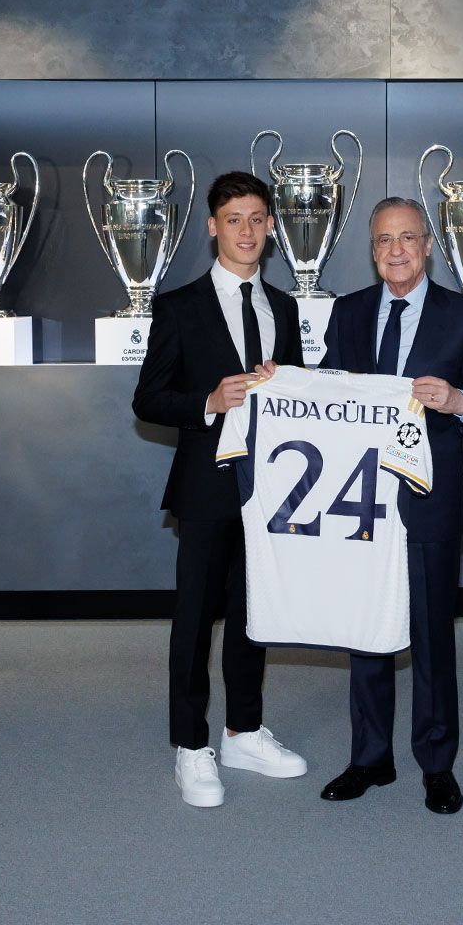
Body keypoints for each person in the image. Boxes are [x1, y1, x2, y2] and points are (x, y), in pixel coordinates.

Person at [316, 197, 463, 814]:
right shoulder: (347, 315)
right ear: (371, 251)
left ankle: (436, 763)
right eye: (382, 241)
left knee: (430, 636)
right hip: (361, 502)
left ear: (428, 245)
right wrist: (279, 387)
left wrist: (458, 401)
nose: (395, 250)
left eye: (407, 238)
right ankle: (370, 759)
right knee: (366, 630)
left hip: (428, 501)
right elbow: (325, 393)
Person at [132, 170, 309, 808]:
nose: (247, 231)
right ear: (212, 227)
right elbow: (148, 398)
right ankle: (191, 743)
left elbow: (299, 400)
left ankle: (243, 729)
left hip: (269, 491)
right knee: (195, 619)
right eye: (234, 219)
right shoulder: (179, 306)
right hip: (206, 489)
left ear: (270, 227)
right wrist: (207, 402)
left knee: (253, 618)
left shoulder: (284, 307)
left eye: (258, 218)